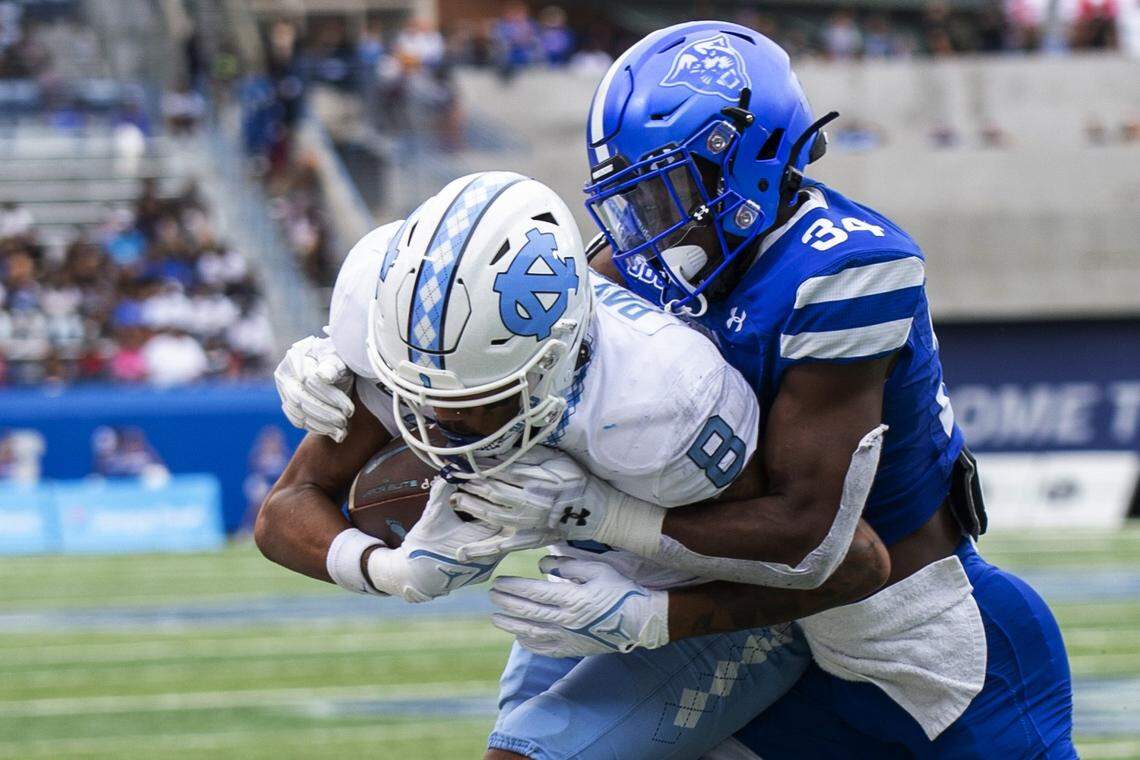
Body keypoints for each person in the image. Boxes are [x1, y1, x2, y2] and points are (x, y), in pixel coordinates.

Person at [462, 21, 1074, 758]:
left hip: (928, 650)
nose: (644, 226)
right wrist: (356, 372)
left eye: (667, 192)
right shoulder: (642, 267)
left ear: (744, 168)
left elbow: (810, 529)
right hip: (767, 638)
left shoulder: (845, 270)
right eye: (636, 197)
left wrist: (622, 553)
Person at [265, 172, 890, 759]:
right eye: (413, 391)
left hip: (720, 605)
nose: (432, 424)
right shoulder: (409, 333)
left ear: (552, 362)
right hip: (586, 580)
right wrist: (389, 569)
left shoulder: (663, 404)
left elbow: (845, 565)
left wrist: (645, 598)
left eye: (469, 403)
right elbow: (285, 508)